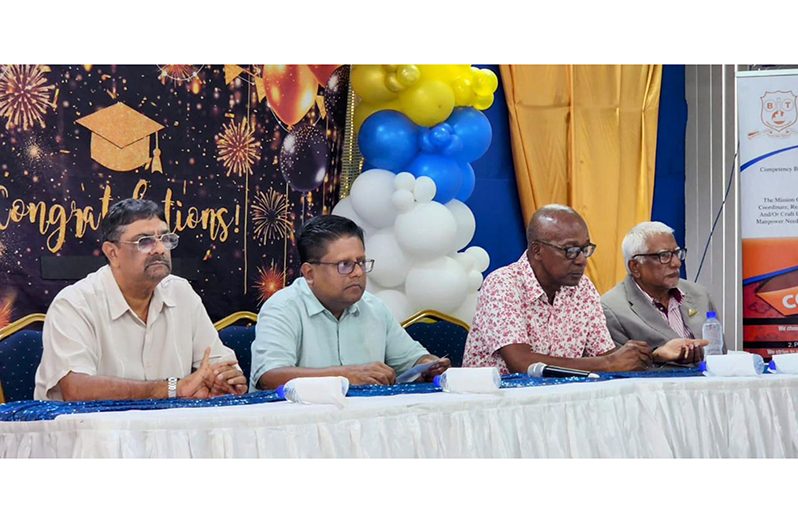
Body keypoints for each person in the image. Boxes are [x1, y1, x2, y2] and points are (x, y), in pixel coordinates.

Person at [34, 198, 247, 401]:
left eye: (165, 239)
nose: (160, 249)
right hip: (90, 435)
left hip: (168, 432)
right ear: (112, 253)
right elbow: (76, 389)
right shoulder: (74, 304)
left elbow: (218, 363)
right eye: (145, 242)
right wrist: (173, 388)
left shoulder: (181, 292)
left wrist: (225, 379)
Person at [250, 215, 450, 391]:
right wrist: (346, 376)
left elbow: (412, 359)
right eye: (344, 265)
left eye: (361, 262)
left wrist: (429, 365)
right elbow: (269, 377)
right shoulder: (283, 307)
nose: (357, 273)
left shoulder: (374, 308)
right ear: (309, 273)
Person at [463, 204, 655, 374]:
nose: (581, 260)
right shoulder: (503, 284)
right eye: (570, 251)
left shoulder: (583, 288)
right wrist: (609, 363)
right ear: (537, 250)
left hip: (560, 400)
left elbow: (604, 354)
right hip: (498, 404)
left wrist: (645, 356)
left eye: (585, 249)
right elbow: (521, 364)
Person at [601, 221, 711, 363]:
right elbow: (620, 371)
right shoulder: (612, 310)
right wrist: (657, 357)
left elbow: (718, 352)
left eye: (677, 253)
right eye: (664, 256)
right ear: (635, 266)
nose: (676, 263)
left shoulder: (699, 294)